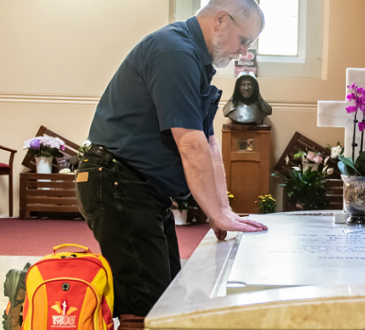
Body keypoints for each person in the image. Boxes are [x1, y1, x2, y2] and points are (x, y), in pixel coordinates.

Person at [76, 0, 268, 328]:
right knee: (145, 305)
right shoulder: (174, 53)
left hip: (140, 187)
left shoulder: (195, 60)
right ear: (222, 19)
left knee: (166, 295)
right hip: (118, 181)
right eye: (244, 40)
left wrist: (223, 210)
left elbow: (209, 146)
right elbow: (190, 143)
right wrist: (215, 213)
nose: (244, 51)